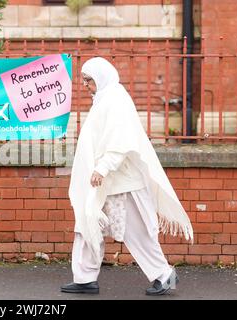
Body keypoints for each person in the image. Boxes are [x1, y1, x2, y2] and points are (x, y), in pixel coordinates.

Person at [61, 57, 194, 296]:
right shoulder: (103, 100)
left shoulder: (115, 99)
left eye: (88, 80)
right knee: (87, 221)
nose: (85, 85)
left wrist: (102, 168)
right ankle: (84, 277)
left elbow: (120, 140)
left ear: (100, 77)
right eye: (83, 80)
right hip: (105, 181)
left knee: (136, 231)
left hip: (120, 182)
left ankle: (165, 275)